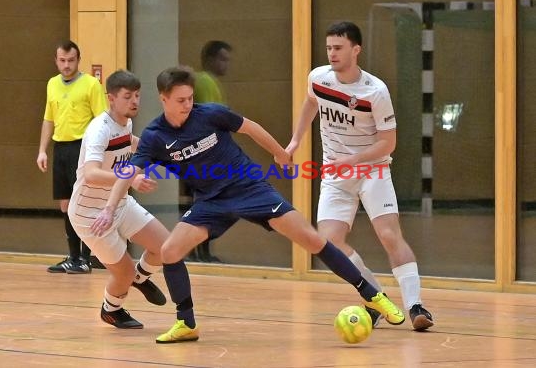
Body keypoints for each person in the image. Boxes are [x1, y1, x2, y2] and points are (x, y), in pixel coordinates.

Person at [91, 66, 406, 343]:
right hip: (211, 201)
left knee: (312, 239)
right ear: (164, 99)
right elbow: (129, 171)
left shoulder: (210, 113)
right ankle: (186, 324)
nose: (187, 105)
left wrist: (279, 152)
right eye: (180, 100)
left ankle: (372, 294)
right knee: (171, 251)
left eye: (190, 98)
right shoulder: (154, 136)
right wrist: (110, 207)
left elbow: (250, 128)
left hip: (248, 188)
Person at [285, 21, 434, 331]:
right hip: (335, 175)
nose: (332, 54)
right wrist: (296, 140)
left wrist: (353, 159)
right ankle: (376, 299)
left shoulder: (375, 91)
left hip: (372, 170)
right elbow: (311, 102)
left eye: (338, 48)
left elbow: (388, 142)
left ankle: (416, 306)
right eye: (328, 48)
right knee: (330, 242)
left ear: (356, 49)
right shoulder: (319, 78)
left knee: (389, 235)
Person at [68, 69, 168, 328]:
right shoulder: (99, 130)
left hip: (119, 203)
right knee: (121, 272)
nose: (134, 101)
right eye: (127, 96)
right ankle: (111, 309)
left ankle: (141, 277)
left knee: (166, 246)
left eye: (137, 95)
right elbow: (91, 173)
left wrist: (152, 148)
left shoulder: (126, 122)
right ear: (111, 98)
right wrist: (130, 178)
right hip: (89, 214)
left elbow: (127, 141)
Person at [37, 40, 108, 274]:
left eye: (71, 60)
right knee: (65, 204)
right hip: (61, 148)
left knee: (84, 203)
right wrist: (42, 150)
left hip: (83, 149)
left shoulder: (91, 85)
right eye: (62, 60)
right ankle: (73, 256)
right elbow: (49, 118)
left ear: (78, 60)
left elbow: (102, 121)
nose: (66, 65)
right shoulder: (52, 84)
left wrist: (100, 154)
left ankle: (86, 258)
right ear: (56, 60)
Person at [185, 40, 233, 262]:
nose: (226, 65)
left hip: (211, 152)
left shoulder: (210, 82)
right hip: (204, 155)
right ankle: (198, 250)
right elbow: (209, 118)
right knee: (207, 202)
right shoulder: (204, 82)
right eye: (223, 59)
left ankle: (201, 250)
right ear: (210, 60)